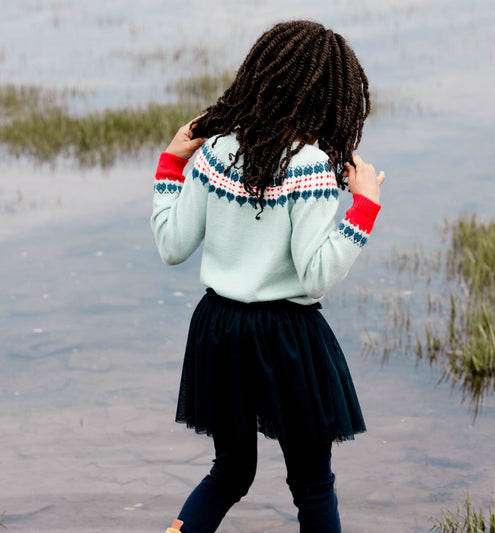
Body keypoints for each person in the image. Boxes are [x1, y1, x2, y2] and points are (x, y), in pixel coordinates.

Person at [151, 20, 384, 533]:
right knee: (313, 486)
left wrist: (171, 163)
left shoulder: (215, 151)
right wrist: (363, 208)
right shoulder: (313, 167)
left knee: (231, 471)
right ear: (330, 98)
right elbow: (317, 275)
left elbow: (171, 247)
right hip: (287, 338)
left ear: (259, 75)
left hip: (218, 330)